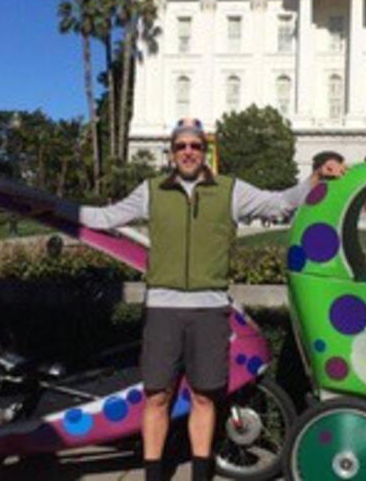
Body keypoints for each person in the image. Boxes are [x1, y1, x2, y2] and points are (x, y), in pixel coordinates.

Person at [60, 120, 345, 481]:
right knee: (157, 397)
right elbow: (103, 217)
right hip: (163, 309)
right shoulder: (151, 191)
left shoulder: (231, 190)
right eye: (181, 146)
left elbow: (281, 202)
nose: (189, 152)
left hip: (210, 309)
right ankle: (153, 475)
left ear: (204, 150)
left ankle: (199, 473)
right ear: (172, 153)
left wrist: (317, 177)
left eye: (195, 145)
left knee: (205, 397)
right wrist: (51, 207)